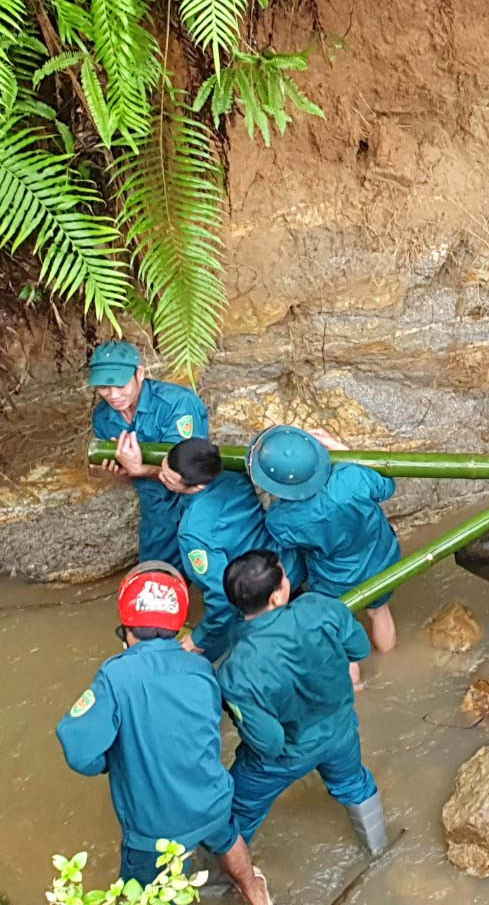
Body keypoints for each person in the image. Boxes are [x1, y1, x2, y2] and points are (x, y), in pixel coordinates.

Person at [56, 562, 269, 902]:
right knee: (227, 837)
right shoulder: (201, 668)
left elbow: (80, 754)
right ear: (178, 622)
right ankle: (255, 891)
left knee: (142, 892)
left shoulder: (115, 676)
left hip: (154, 825)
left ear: (126, 627)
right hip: (211, 800)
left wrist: (115, 759)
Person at [218, 549, 388, 855]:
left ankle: (219, 885)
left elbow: (269, 742)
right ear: (277, 597)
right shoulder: (320, 608)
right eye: (284, 578)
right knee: (355, 784)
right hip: (340, 732)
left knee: (231, 816)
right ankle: (378, 849)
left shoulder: (236, 670)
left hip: (284, 756)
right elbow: (360, 648)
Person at [247, 425, 400, 685]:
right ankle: (393, 664)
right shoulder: (351, 477)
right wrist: (343, 449)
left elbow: (292, 544)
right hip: (380, 559)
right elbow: (387, 485)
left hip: (334, 578)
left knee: (341, 632)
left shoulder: (280, 518)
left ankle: (358, 690)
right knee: (380, 611)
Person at [166, 437, 304, 662]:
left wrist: (199, 639)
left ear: (198, 485)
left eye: (169, 477)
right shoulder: (233, 476)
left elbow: (221, 595)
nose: (162, 477)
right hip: (285, 567)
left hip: (255, 595)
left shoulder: (194, 533)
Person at [89, 341, 209, 567]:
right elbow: (126, 475)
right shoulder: (103, 417)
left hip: (195, 501)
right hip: (156, 508)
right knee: (155, 578)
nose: (113, 395)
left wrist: (140, 469)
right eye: (104, 386)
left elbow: (190, 473)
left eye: (121, 384)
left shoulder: (177, 403)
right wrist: (121, 470)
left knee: (211, 574)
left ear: (140, 373)